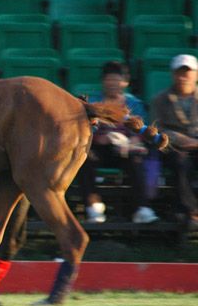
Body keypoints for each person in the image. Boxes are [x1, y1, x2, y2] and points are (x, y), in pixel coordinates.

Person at [78, 61, 157, 224]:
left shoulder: (135, 104)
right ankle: (93, 208)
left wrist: (131, 141)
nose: (113, 83)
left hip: (125, 149)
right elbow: (85, 129)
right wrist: (101, 138)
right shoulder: (93, 103)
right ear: (103, 81)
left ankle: (142, 208)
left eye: (117, 80)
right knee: (85, 159)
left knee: (136, 159)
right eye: (109, 79)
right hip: (99, 148)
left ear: (125, 82)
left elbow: (142, 129)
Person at [150, 54, 198, 229]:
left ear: (196, 75)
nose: (184, 76)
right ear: (173, 74)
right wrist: (181, 139)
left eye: (188, 72)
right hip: (173, 147)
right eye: (180, 72)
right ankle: (192, 212)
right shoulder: (160, 99)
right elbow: (157, 129)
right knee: (180, 162)